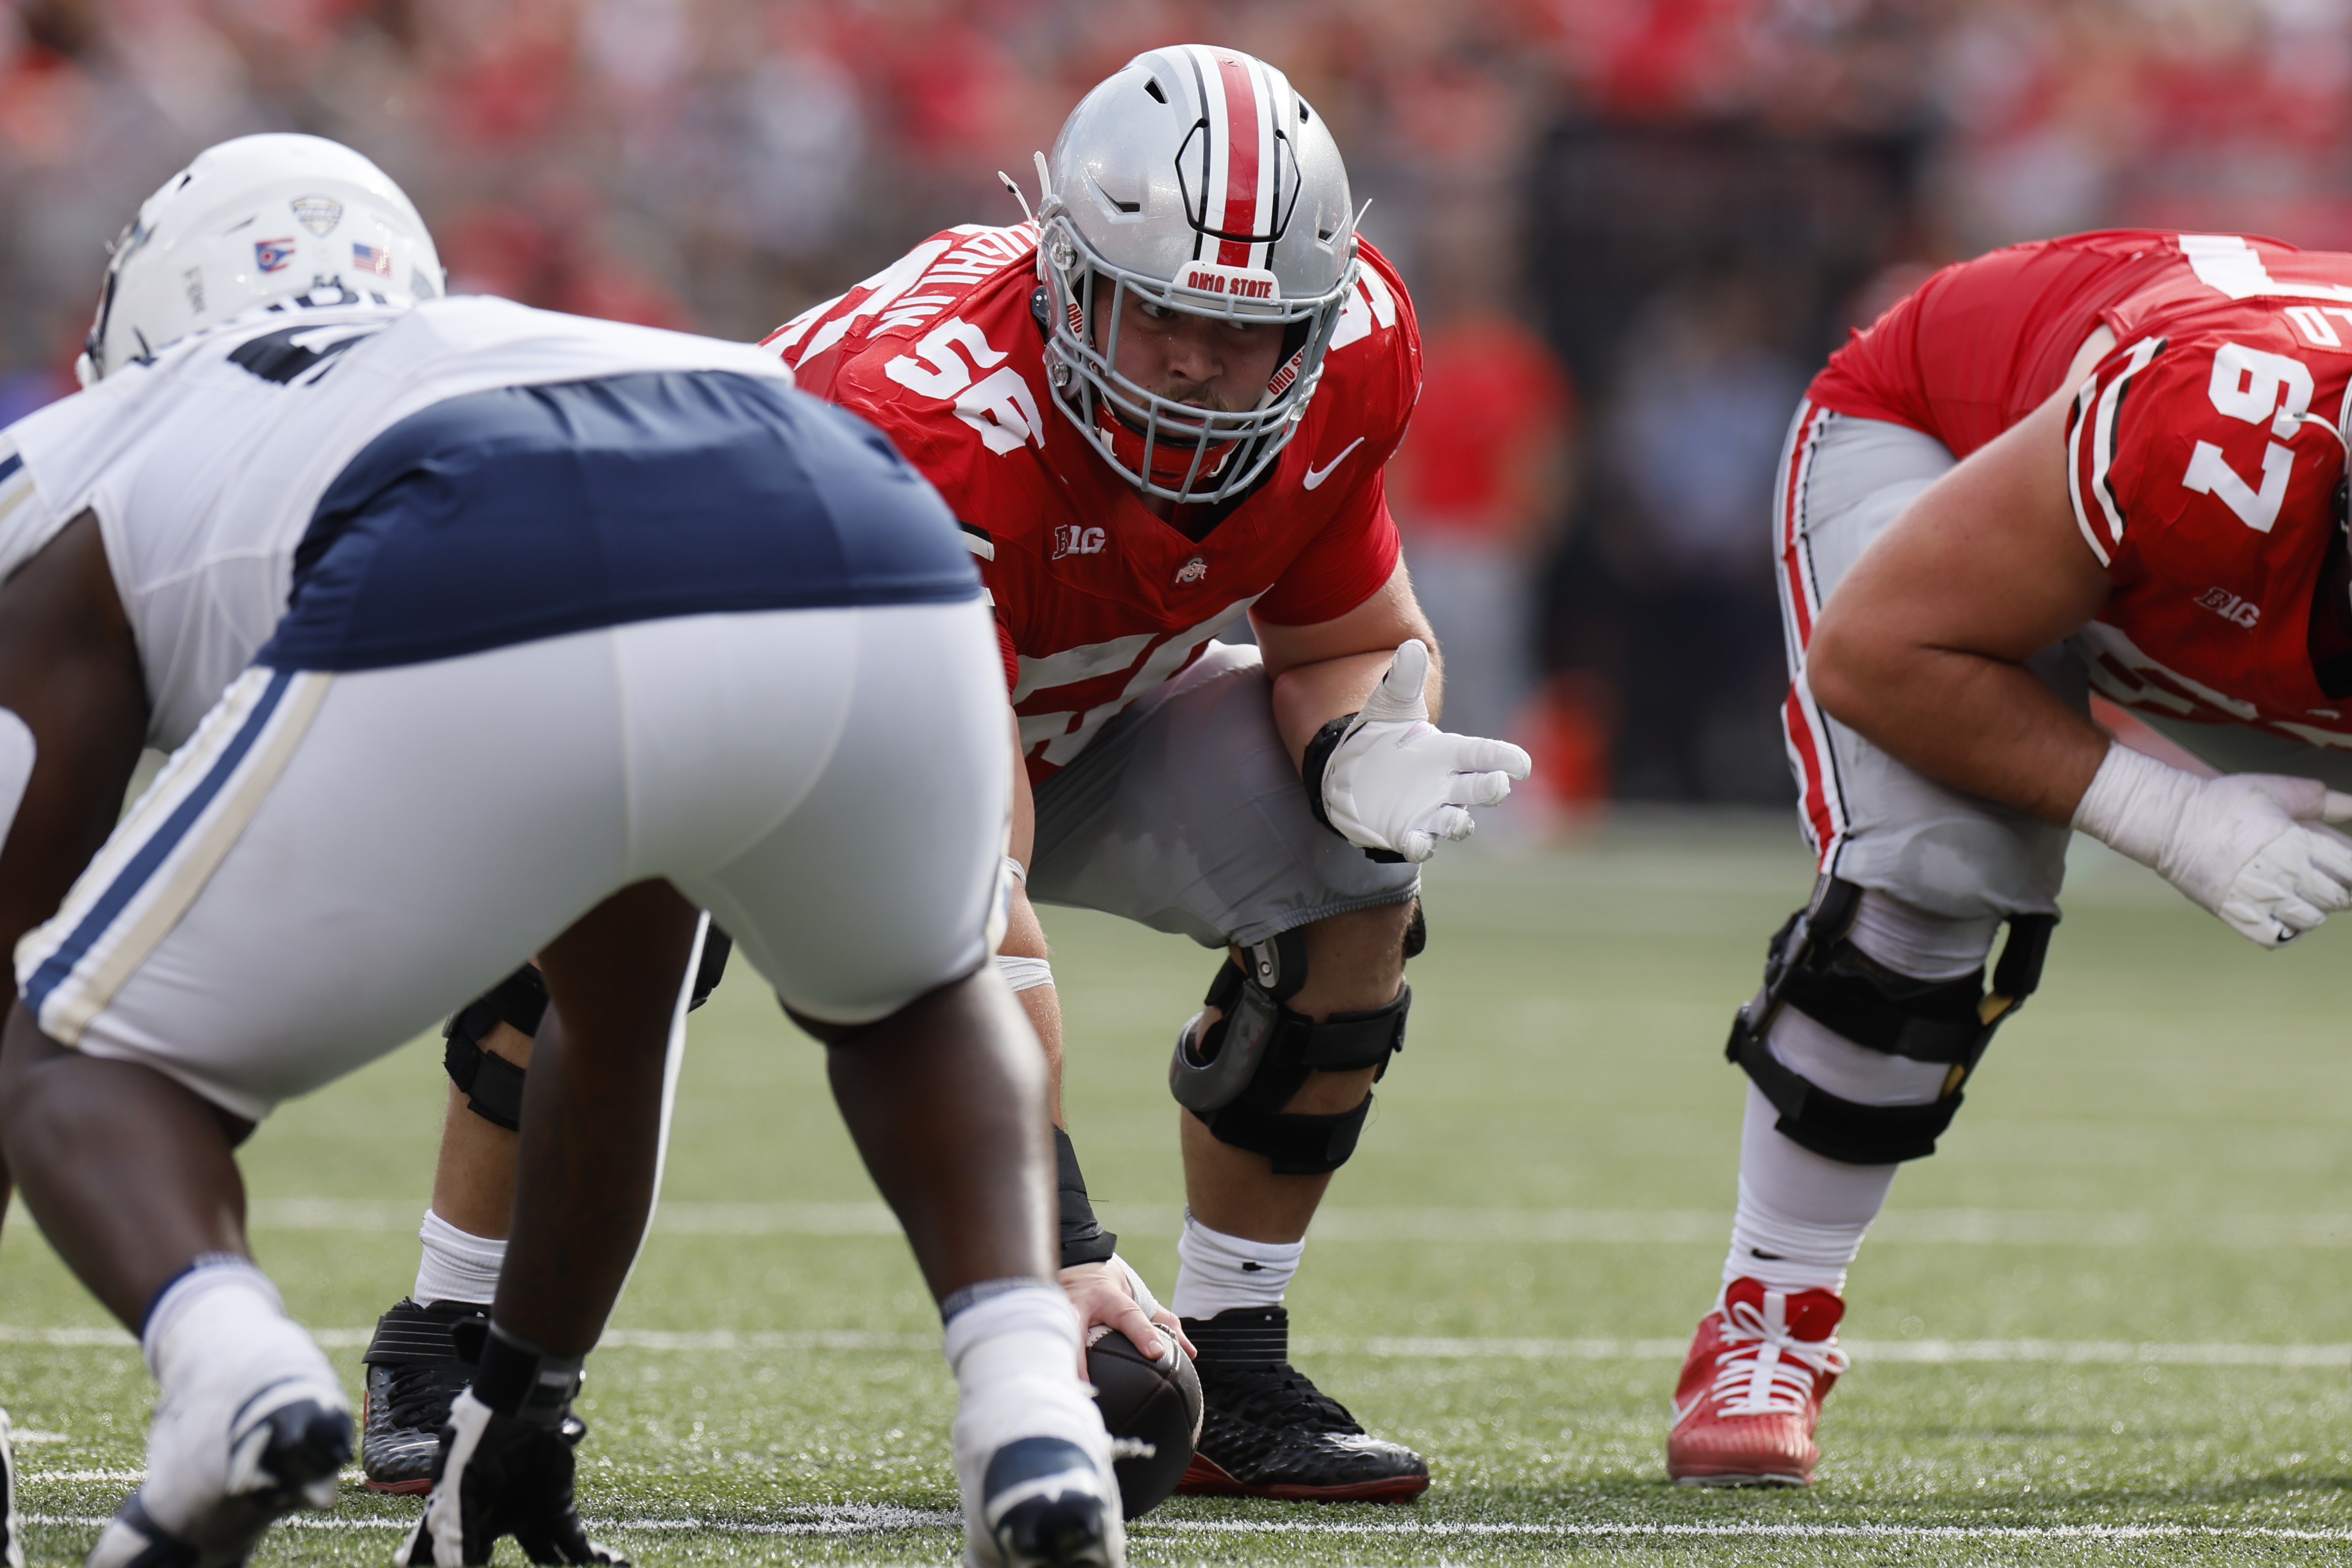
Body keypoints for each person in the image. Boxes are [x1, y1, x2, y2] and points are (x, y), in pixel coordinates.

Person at [362, 43, 1531, 1506]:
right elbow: (975, 906)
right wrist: (1069, 1252)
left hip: (1062, 705)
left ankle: (1233, 1357)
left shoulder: (1355, 350)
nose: (1194, 362)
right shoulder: (926, 419)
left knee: (1363, 870)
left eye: (1245, 335)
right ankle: (448, 1334)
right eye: (1160, 310)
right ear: (1067, 275)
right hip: (737, 687)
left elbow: (1351, 635)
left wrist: (1359, 747)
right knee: (611, 928)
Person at [0, 132, 1124, 1568]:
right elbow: (613, 1024)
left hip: (486, 533)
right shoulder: (514, 333)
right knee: (905, 1000)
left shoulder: (98, 443)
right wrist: (518, 1401)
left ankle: (228, 1370)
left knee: (70, 1056)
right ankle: (1029, 1409)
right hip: (859, 511)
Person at [1668, 229, 2352, 1487]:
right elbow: (1885, 657)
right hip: (1958, 454)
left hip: (2229, 575)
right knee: (1939, 867)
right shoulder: (2213, 434)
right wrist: (2173, 818)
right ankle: (1770, 1321)